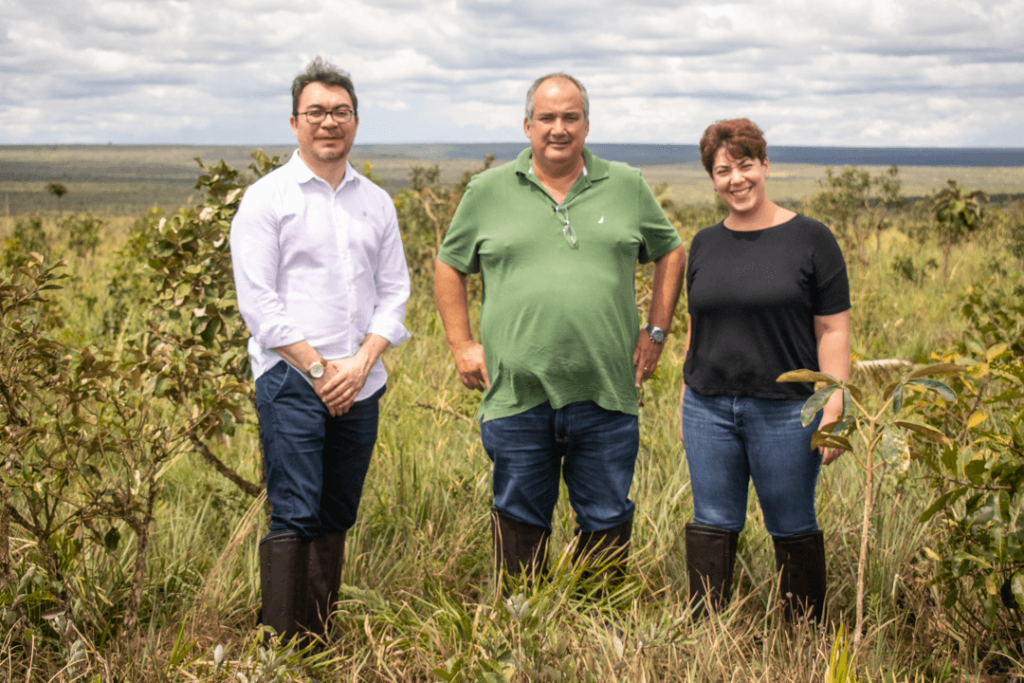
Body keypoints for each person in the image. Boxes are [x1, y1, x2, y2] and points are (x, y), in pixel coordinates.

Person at [435, 73, 686, 590]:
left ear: (587, 125)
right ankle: (525, 626)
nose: (559, 128)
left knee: (605, 513)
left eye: (570, 117)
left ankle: (598, 627)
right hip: (516, 392)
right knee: (520, 512)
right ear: (527, 125)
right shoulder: (487, 191)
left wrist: (655, 333)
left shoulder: (627, 185)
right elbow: (449, 264)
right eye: (547, 118)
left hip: (606, 390)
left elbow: (671, 250)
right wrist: (461, 345)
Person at [230, 57, 411, 643]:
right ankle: (282, 651)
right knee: (295, 511)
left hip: (362, 380)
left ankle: (317, 642)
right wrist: (317, 366)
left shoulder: (377, 202)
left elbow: (395, 292)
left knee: (337, 513)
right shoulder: (266, 199)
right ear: (294, 122)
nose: (328, 121)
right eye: (316, 112)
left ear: (355, 121)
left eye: (340, 111)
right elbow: (258, 304)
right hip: (290, 380)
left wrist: (359, 364)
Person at [679, 118, 850, 622]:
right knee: (712, 520)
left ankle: (804, 639)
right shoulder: (705, 244)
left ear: (765, 166)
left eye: (745, 165)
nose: (736, 179)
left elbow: (832, 330)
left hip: (787, 412)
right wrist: (685, 400)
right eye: (722, 169)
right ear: (712, 179)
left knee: (793, 521)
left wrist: (834, 399)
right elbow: (697, 327)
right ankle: (707, 632)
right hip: (708, 408)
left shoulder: (812, 239)